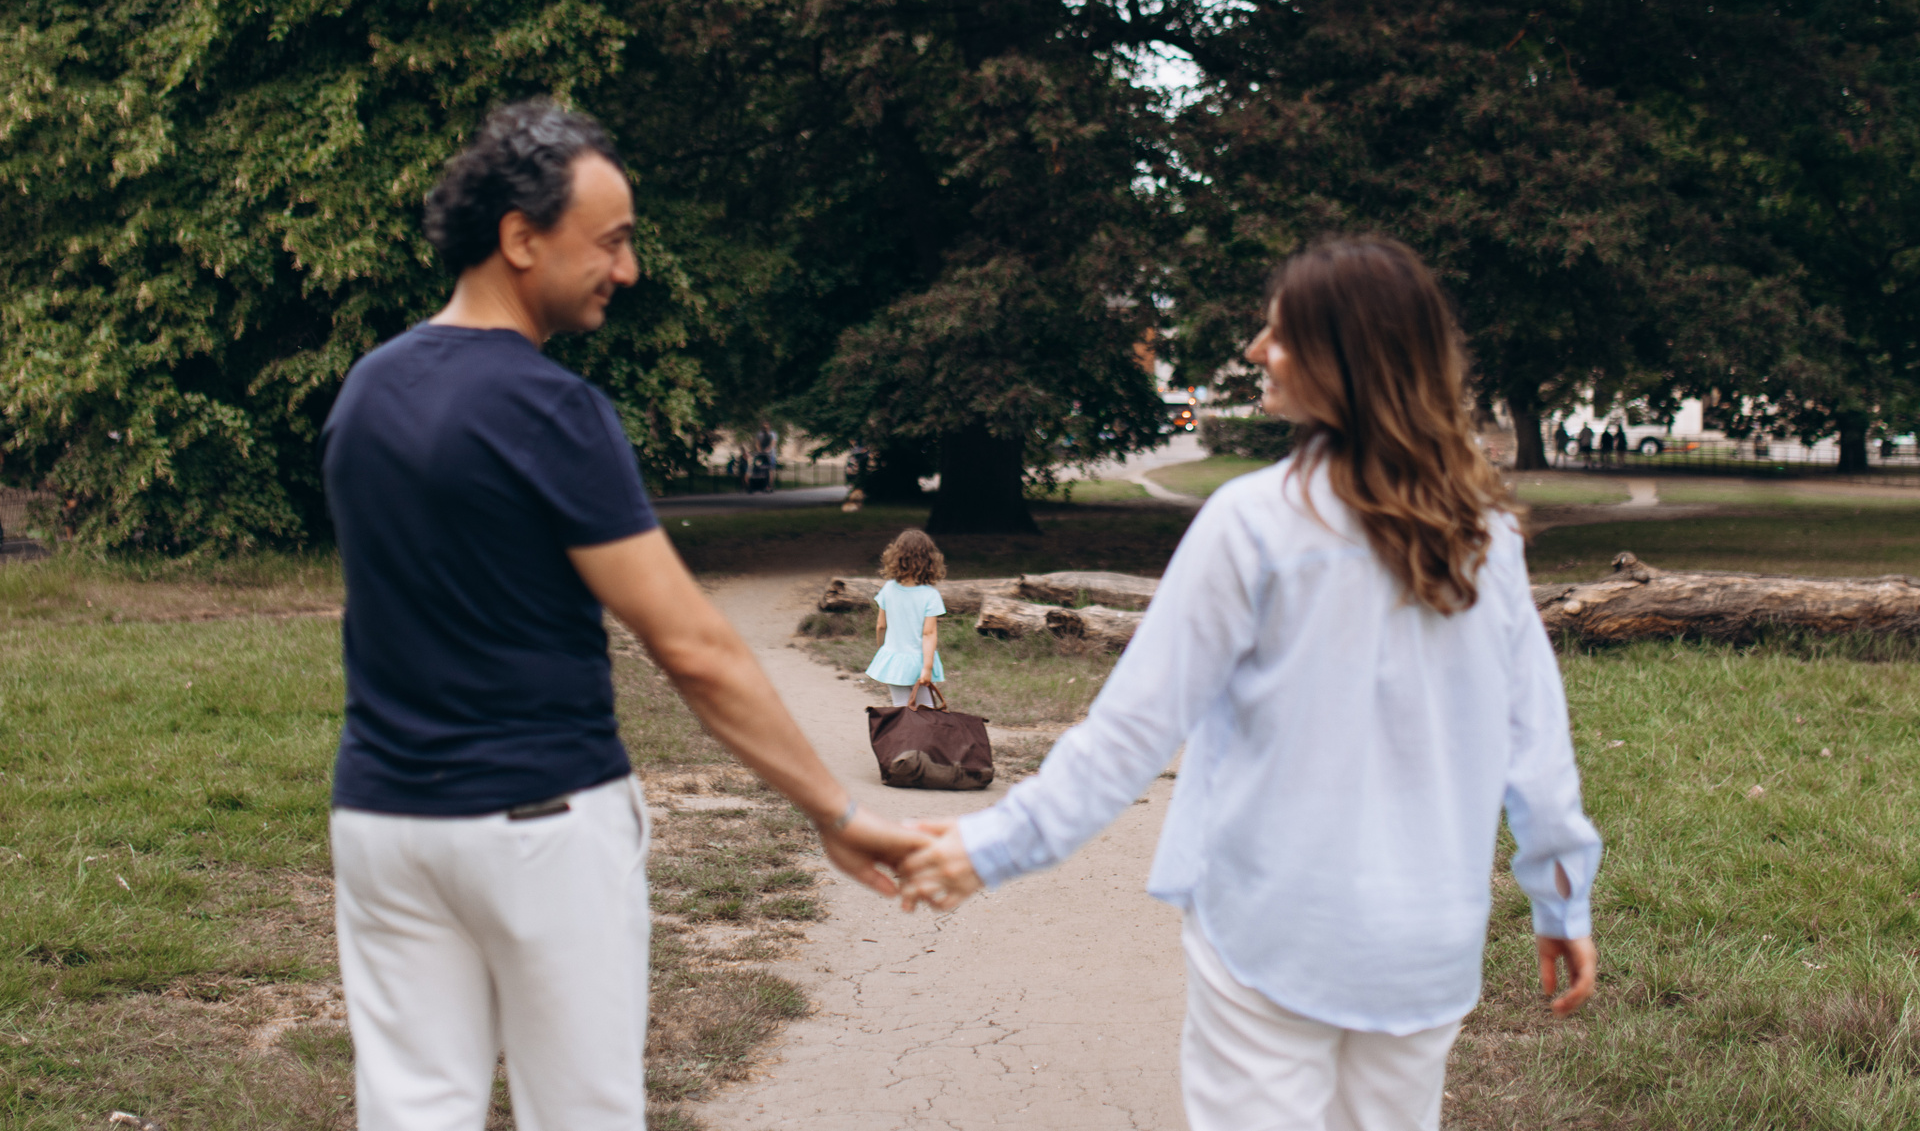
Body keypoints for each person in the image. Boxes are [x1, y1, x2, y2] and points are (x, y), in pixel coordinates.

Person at [898, 236, 1602, 1131]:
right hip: (1424, 945)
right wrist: (1561, 899)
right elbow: (1536, 744)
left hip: (1276, 927)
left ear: (1341, 359)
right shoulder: (1484, 537)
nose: (1255, 348)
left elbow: (1132, 730)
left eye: (1280, 332)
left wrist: (991, 847)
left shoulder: (1256, 522)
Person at [320, 99, 925, 1131]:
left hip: (383, 824)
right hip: (540, 826)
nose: (628, 269)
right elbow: (692, 647)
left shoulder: (365, 393)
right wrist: (836, 811)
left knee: (411, 1111)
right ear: (521, 237)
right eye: (610, 241)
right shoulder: (551, 411)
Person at [866, 528, 946, 708]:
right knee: (926, 711)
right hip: (919, 662)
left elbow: (881, 625)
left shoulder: (888, 588)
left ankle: (902, 729)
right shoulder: (930, 595)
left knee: (901, 709)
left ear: (895, 558)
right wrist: (927, 668)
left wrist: (884, 651)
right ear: (930, 561)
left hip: (894, 661)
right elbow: (929, 633)